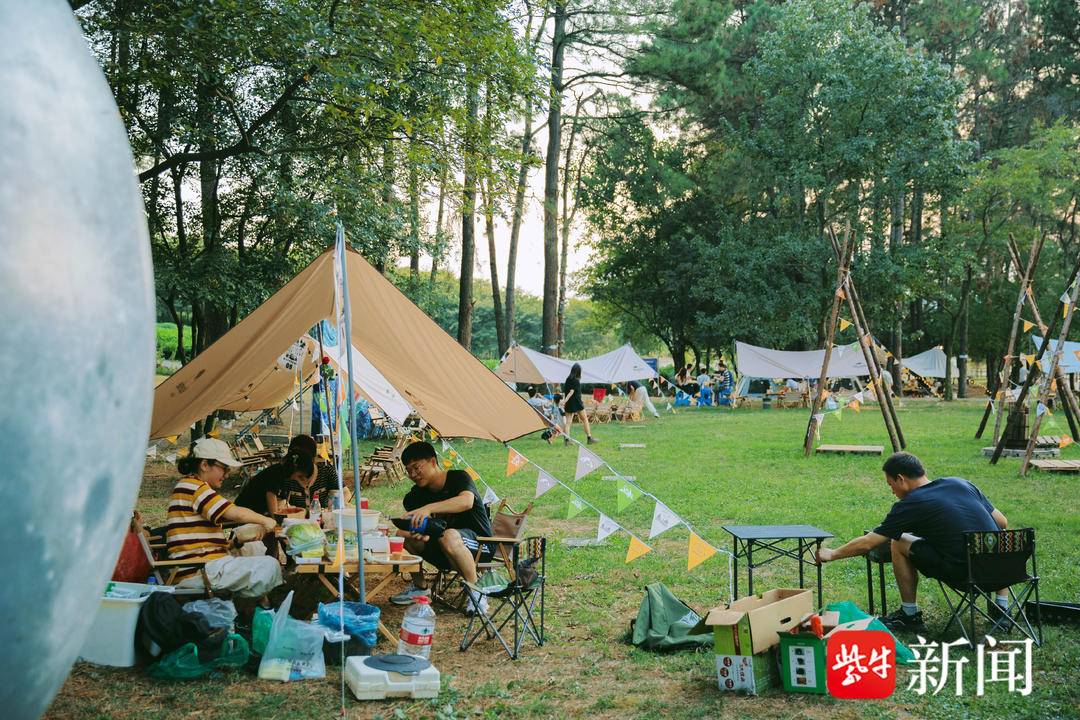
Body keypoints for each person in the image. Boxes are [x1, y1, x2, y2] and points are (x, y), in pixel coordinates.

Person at [815, 452, 1008, 634]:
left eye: (890, 484)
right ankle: (1002, 608)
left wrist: (831, 554)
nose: (892, 491)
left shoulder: (912, 503)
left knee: (898, 542)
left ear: (901, 479)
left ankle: (909, 615)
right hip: (1003, 571)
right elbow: (1002, 522)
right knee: (999, 536)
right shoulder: (961, 483)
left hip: (965, 576)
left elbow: (868, 543)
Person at [167, 438, 283, 597]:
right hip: (199, 570)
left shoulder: (190, 486)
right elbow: (235, 512)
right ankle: (264, 606)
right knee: (270, 565)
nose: (227, 474)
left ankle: (256, 606)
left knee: (254, 548)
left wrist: (236, 542)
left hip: (204, 565)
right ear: (204, 465)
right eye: (224, 468)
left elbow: (204, 540)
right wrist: (267, 520)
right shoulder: (195, 488)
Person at [390, 441, 495, 614]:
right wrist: (419, 534)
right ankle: (420, 587)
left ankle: (477, 592)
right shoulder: (415, 496)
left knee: (449, 536)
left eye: (417, 467)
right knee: (402, 534)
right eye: (408, 471)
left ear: (432, 461)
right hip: (443, 548)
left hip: (480, 545)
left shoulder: (458, 478)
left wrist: (428, 508)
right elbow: (426, 529)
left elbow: (466, 501)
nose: (413, 474)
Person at [234, 434, 317, 515]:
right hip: (243, 514)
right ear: (294, 468)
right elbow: (274, 513)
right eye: (299, 476)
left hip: (252, 513)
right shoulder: (275, 474)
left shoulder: (281, 472)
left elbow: (281, 504)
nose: (297, 480)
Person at [562, 362, 597, 445]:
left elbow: (566, 391)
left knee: (568, 422)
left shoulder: (568, 379)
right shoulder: (576, 380)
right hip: (577, 403)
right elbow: (571, 392)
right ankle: (589, 438)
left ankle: (567, 440)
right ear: (578, 371)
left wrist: (565, 401)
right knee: (585, 419)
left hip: (569, 404)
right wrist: (565, 401)